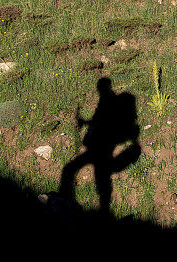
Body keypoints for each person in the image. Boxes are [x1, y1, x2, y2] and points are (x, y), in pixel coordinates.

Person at [60, 78, 140, 214]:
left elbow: (103, 121)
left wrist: (88, 124)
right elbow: (98, 120)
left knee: (96, 175)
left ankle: (103, 209)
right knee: (80, 171)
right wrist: (85, 122)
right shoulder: (106, 99)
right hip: (100, 143)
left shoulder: (107, 100)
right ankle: (103, 208)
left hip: (103, 144)